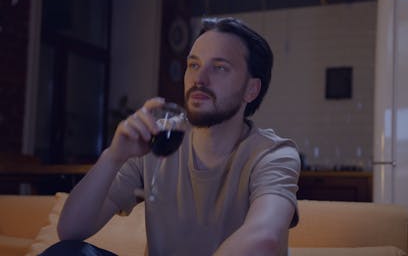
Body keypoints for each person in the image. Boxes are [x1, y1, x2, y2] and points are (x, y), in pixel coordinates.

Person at [44, 17, 300, 256]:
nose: (199, 78)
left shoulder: (273, 154)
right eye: (194, 65)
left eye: (219, 67)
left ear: (251, 89)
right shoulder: (154, 143)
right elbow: (70, 233)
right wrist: (113, 156)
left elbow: (265, 236)